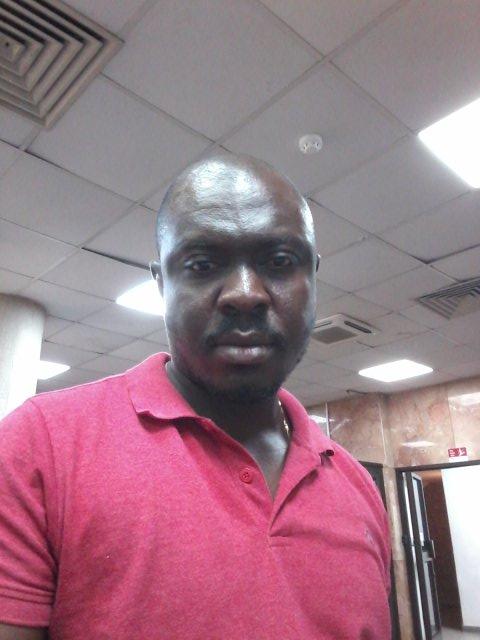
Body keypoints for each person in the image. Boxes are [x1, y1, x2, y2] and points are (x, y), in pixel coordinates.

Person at [0, 154, 391, 639]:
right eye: (202, 264)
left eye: (279, 262)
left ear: (312, 277)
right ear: (161, 283)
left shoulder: (357, 487)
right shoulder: (41, 447)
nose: (245, 293)